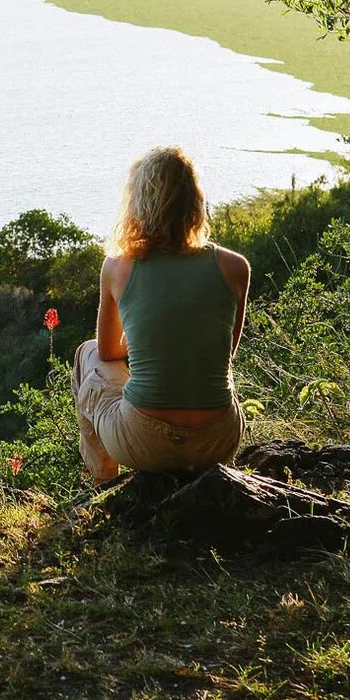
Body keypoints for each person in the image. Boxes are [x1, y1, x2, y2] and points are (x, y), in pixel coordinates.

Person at [72, 146, 249, 483]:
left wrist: (145, 346)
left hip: (144, 443)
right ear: (195, 202)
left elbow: (109, 352)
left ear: (138, 204)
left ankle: (103, 479)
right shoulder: (235, 267)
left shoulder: (118, 268)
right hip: (219, 441)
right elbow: (223, 353)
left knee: (89, 351)